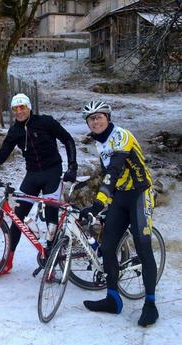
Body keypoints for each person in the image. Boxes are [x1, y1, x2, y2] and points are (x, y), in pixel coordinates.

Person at [0, 93, 77, 275]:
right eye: (15, 108)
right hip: (32, 175)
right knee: (17, 217)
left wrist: (72, 166)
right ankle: (7, 262)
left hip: (52, 172)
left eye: (22, 107)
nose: (19, 111)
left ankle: (51, 264)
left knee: (51, 218)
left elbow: (67, 139)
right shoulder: (15, 131)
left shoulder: (45, 122)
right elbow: (0, 158)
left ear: (29, 107)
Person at [79, 101, 158, 327]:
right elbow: (108, 175)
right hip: (122, 197)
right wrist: (104, 203)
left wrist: (98, 203)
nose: (95, 121)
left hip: (140, 193)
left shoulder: (122, 136)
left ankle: (151, 304)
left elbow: (114, 170)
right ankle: (113, 299)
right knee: (107, 247)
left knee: (142, 246)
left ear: (108, 117)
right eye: (91, 118)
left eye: (99, 116)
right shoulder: (100, 144)